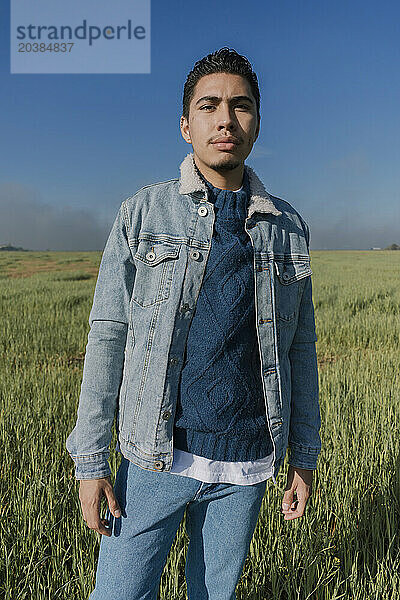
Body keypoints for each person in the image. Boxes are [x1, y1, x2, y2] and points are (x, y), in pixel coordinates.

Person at [66, 47, 322, 600]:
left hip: (248, 465)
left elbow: (300, 348)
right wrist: (91, 461)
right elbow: (109, 333)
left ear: (257, 123)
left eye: (241, 106)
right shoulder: (143, 213)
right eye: (209, 106)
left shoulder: (288, 228)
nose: (225, 119)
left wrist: (303, 457)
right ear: (186, 125)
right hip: (156, 455)